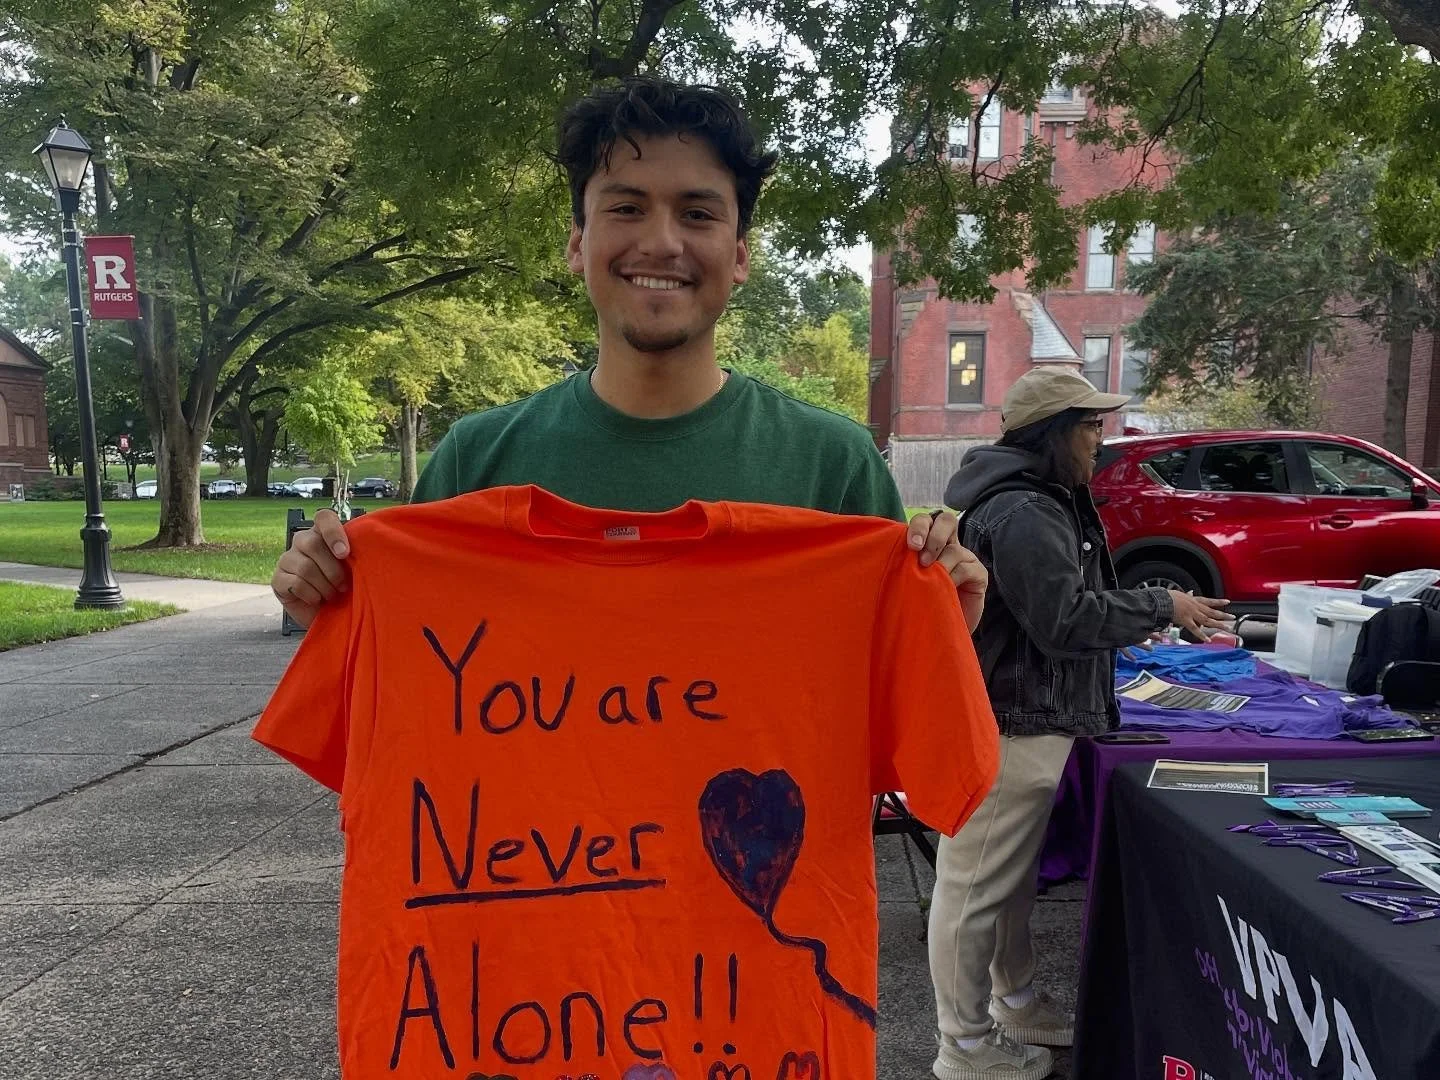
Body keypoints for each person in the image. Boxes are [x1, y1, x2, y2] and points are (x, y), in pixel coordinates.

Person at [270, 75, 988, 629]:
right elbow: (411, 679)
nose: (662, 242)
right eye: (626, 207)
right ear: (578, 244)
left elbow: (888, 699)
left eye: (697, 213)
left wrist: (945, 622)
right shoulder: (474, 461)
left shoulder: (833, 467)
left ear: (739, 255)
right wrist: (334, 604)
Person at [927, 367, 1233, 1080]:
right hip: (1014, 720)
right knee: (974, 889)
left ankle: (1013, 1003)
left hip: (1018, 714)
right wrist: (1161, 604)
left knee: (1003, 883)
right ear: (1054, 431)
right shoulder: (1026, 509)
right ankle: (962, 1045)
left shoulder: (1028, 498)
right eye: (1091, 424)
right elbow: (1064, 619)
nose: (1102, 437)